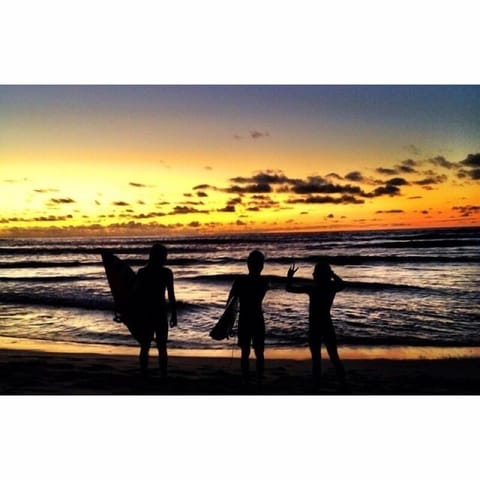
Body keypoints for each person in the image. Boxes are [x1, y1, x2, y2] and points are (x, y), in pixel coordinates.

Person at [286, 262, 346, 389]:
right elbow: (342, 284)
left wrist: (289, 277)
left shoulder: (312, 289)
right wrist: (332, 274)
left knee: (316, 359)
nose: (312, 274)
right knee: (334, 356)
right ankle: (343, 383)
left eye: (314, 272)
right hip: (326, 324)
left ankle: (316, 386)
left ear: (317, 275)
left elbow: (289, 288)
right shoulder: (330, 288)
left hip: (314, 326)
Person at [134, 243, 177, 378]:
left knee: (145, 346)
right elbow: (171, 295)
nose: (166, 258)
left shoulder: (142, 272)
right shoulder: (166, 273)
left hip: (145, 313)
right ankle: (163, 375)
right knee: (162, 346)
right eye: (165, 255)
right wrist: (174, 314)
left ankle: (144, 373)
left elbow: (136, 295)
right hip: (159, 313)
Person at [228, 250, 269, 385]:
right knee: (259, 351)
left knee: (245, 351)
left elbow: (230, 303)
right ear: (261, 265)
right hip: (257, 317)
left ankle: (246, 379)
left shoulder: (240, 281)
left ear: (248, 264)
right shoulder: (264, 282)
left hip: (245, 317)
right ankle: (259, 379)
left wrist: (228, 324)